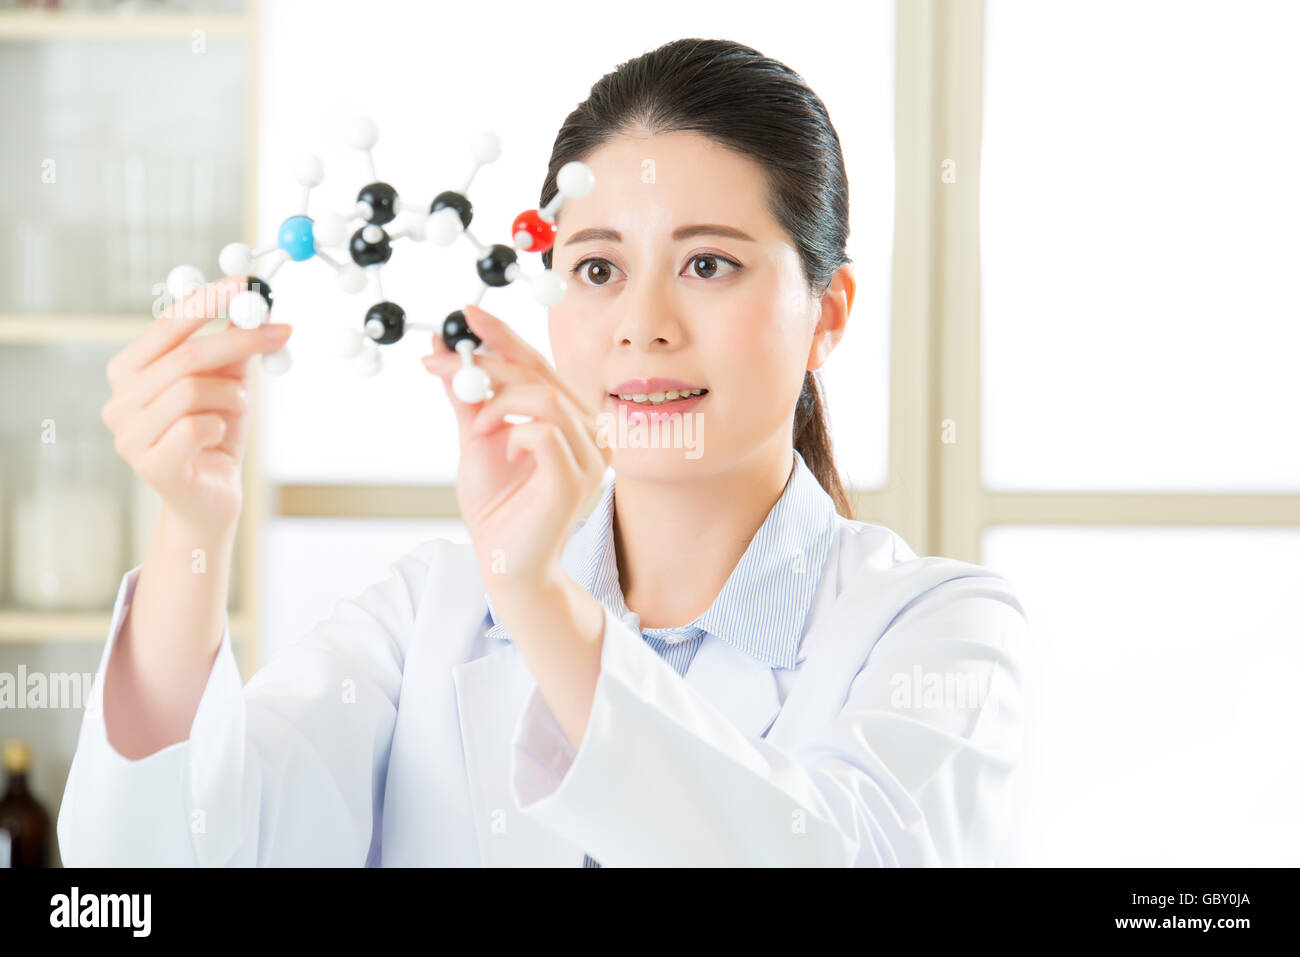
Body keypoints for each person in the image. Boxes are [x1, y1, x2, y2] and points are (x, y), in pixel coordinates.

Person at [57, 37, 1028, 867]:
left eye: (708, 264)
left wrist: (541, 601)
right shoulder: (428, 615)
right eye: (597, 268)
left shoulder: (937, 633)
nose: (641, 326)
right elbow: (159, 865)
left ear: (828, 314)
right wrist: (193, 525)